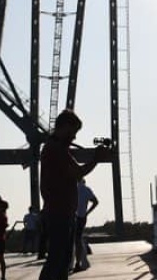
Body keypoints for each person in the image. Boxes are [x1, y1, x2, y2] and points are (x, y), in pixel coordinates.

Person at [39, 109, 107, 280]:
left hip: (63, 212)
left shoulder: (56, 148)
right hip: (59, 213)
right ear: (63, 127)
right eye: (72, 132)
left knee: (62, 260)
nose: (74, 137)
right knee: (57, 260)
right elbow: (78, 172)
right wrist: (96, 159)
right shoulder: (55, 149)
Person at [72, 179, 99, 272]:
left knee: (73, 239)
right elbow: (95, 202)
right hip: (82, 217)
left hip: (72, 216)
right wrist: (87, 212)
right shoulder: (86, 190)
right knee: (78, 239)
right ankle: (79, 262)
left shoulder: (72, 188)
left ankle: (73, 262)